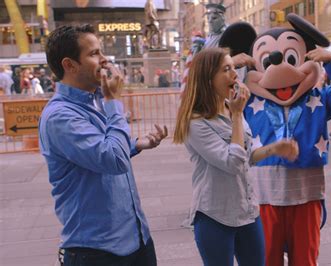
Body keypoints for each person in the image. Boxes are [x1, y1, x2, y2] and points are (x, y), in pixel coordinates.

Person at [39, 24, 168, 266]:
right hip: (96, 251)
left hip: (136, 237)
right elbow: (113, 160)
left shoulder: (96, 98)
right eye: (94, 53)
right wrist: (114, 102)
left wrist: (135, 144)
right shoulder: (60, 116)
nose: (104, 59)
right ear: (69, 65)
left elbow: (101, 147)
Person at [173, 48, 299, 266]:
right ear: (208, 78)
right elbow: (233, 162)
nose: (234, 74)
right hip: (215, 216)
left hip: (248, 212)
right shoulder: (196, 123)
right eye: (226, 69)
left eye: (233, 67)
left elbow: (245, 156)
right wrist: (238, 115)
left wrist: (274, 149)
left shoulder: (229, 108)